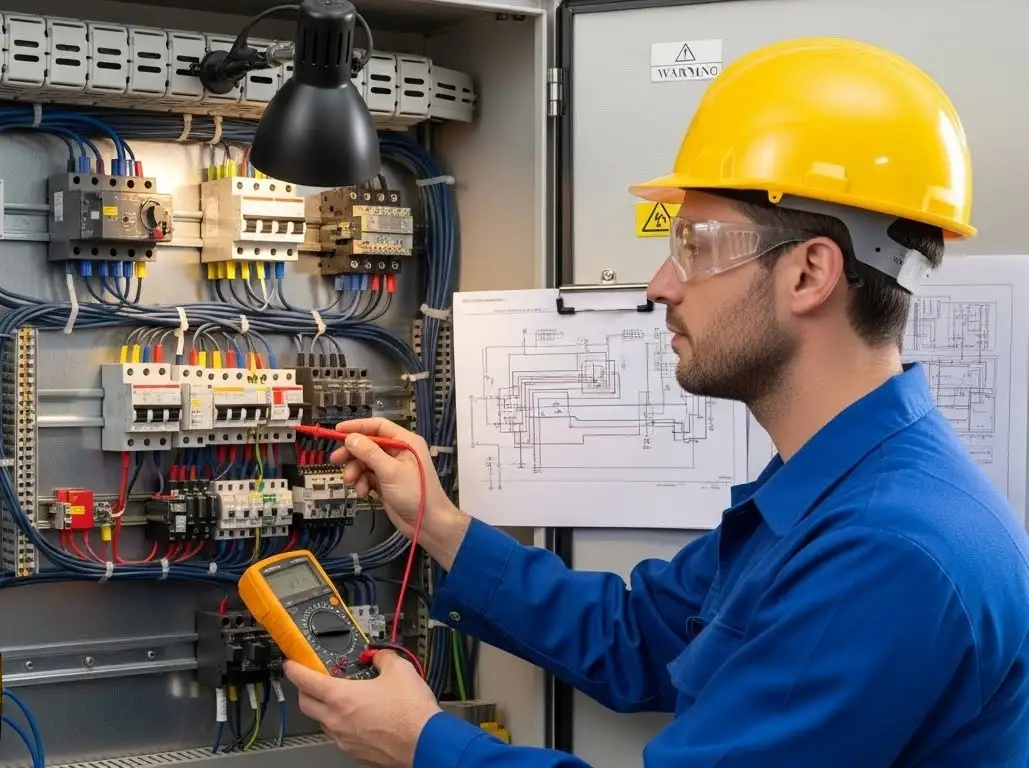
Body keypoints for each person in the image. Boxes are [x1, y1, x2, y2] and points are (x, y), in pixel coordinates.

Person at [282, 37, 1029, 767]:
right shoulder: (836, 492)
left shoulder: (882, 552)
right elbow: (638, 637)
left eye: (695, 246)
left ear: (810, 274)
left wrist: (424, 744)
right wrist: (438, 527)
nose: (659, 285)